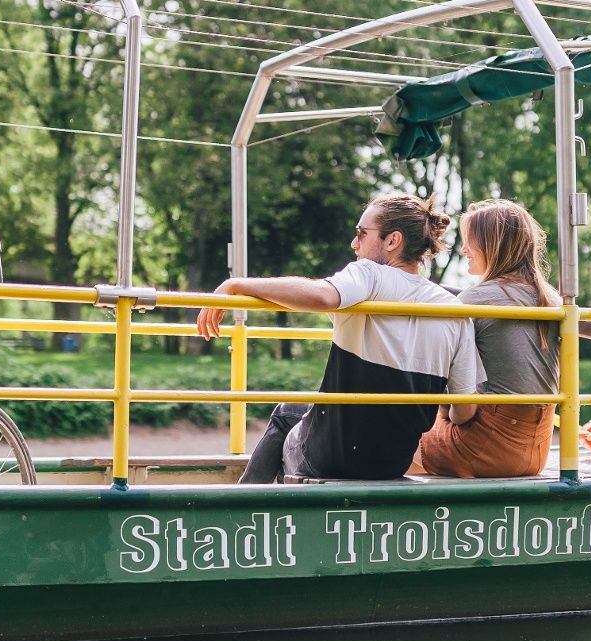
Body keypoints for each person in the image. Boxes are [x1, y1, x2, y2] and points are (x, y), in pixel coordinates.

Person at [197, 193, 482, 482]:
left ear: (392, 241)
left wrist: (236, 285)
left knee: (287, 413)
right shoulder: (454, 311)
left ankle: (245, 510)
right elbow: (464, 411)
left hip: (331, 459)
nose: (354, 243)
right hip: (391, 463)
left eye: (361, 233)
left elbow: (323, 296)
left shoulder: (370, 275)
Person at [411, 199, 561, 478]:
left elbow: (461, 414)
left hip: (485, 447)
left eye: (471, 241)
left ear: (494, 246)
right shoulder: (550, 298)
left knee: (393, 442)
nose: (464, 249)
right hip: (537, 450)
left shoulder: (475, 300)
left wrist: (445, 412)